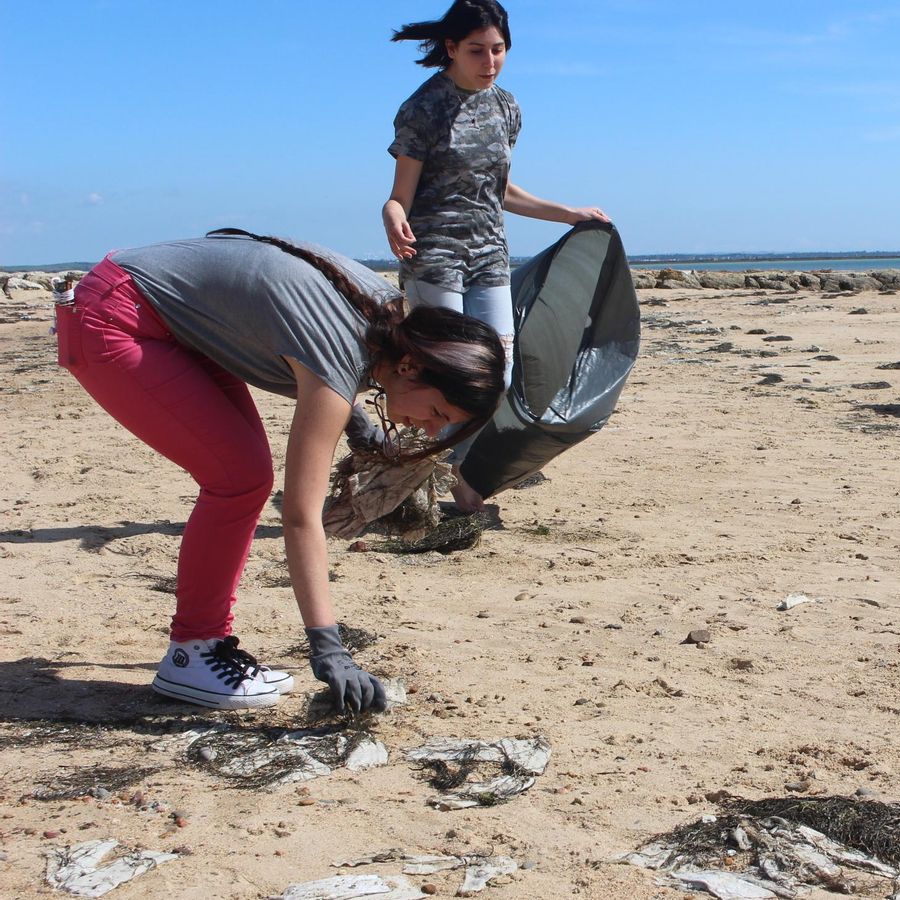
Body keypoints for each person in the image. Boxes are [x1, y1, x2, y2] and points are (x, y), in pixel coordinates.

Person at [54, 229, 505, 712]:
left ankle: (200, 645)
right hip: (115, 317)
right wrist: (328, 647)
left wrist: (360, 428)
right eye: (436, 413)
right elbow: (300, 516)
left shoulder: (387, 316)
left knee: (244, 479)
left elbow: (306, 341)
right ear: (413, 367)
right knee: (238, 480)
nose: (429, 428)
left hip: (166, 315)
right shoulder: (344, 359)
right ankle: (193, 652)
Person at [383, 0, 609, 511]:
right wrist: (392, 215)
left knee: (496, 374)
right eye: (476, 51)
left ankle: (465, 479)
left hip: (490, 255)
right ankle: (418, 483)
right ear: (450, 49)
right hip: (433, 255)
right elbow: (401, 194)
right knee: (441, 373)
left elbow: (500, 190)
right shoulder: (424, 107)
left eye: (498, 50)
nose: (489, 62)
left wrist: (569, 213)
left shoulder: (506, 106)